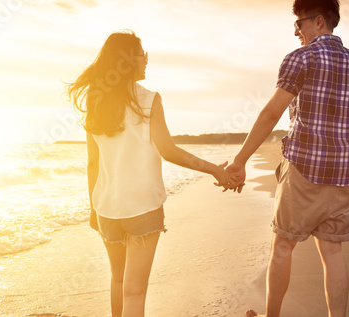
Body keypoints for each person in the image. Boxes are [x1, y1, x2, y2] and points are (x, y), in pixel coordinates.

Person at [220, 0, 349, 317]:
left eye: (299, 23)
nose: (296, 31)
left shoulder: (301, 58)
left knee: (282, 245)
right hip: (343, 180)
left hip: (303, 172)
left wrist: (239, 161)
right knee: (332, 252)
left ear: (319, 21)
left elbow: (270, 113)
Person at [66, 30, 236, 317]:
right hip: (142, 207)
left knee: (118, 280)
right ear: (127, 60)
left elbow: (92, 163)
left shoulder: (97, 103)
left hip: (107, 207)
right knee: (135, 290)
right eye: (142, 55)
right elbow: (169, 151)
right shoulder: (149, 99)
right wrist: (214, 170)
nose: (146, 61)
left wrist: (93, 208)